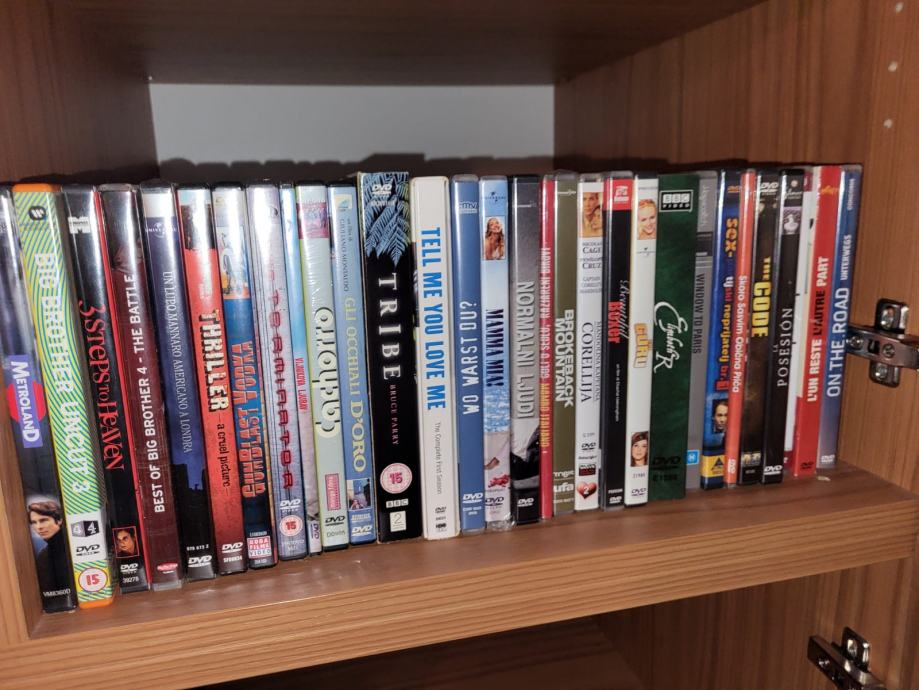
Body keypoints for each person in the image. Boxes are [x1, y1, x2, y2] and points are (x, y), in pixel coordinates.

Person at [28, 500, 71, 593]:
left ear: (59, 520)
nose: (38, 527)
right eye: (34, 522)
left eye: (43, 520)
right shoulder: (43, 555)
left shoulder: (72, 546)